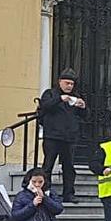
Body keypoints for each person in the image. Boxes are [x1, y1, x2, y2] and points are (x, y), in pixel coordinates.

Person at [38, 69, 87, 203]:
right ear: (60, 82)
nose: (69, 86)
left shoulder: (76, 96)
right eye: (67, 83)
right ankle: (45, 191)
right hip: (52, 136)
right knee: (48, 165)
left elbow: (84, 116)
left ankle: (69, 194)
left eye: (71, 84)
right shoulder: (50, 94)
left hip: (69, 137)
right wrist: (59, 99)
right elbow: (45, 106)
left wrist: (83, 107)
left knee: (69, 167)